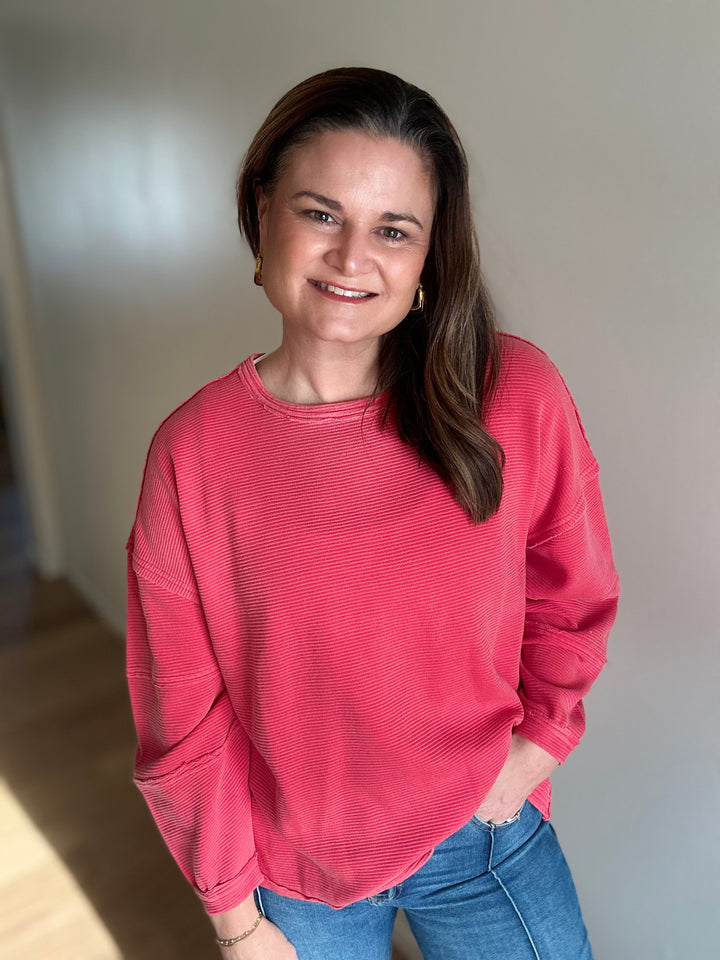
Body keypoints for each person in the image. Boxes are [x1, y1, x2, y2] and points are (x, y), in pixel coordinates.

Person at [126, 67, 619, 960]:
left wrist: (540, 743)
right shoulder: (192, 455)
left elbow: (571, 593)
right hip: (293, 875)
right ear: (262, 212)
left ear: (429, 254)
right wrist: (236, 923)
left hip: (485, 836)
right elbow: (182, 719)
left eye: (394, 230)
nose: (354, 259)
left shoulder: (511, 394)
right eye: (321, 214)